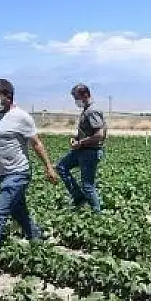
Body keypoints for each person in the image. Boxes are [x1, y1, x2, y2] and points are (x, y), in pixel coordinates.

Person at [0, 78, 58, 269]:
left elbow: (36, 143)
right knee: (19, 211)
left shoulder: (21, 117)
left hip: (18, 173)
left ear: (8, 97)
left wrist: (48, 167)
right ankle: (37, 238)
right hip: (2, 173)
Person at [55, 83, 106, 213]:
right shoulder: (86, 110)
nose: (76, 101)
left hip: (90, 152)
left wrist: (81, 142)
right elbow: (88, 131)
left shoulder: (92, 111)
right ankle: (79, 197)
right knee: (61, 166)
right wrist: (76, 137)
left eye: (76, 98)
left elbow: (99, 135)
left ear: (85, 95)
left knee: (88, 185)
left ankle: (98, 214)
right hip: (82, 149)